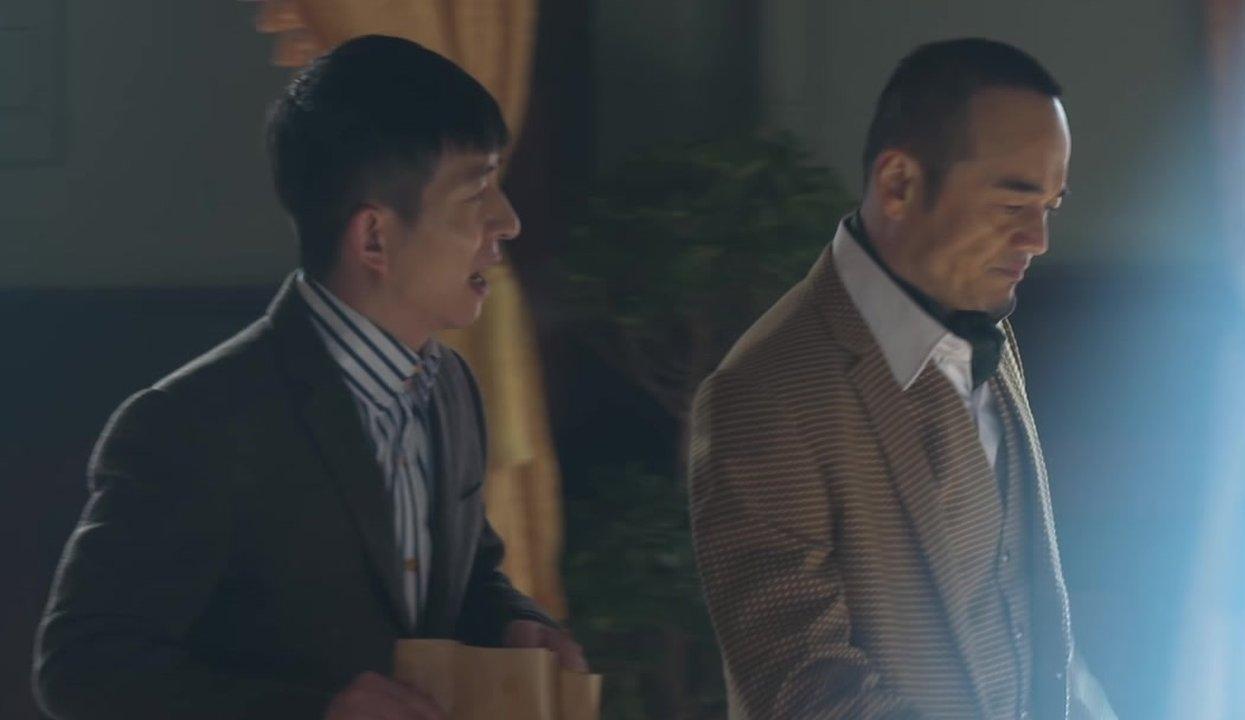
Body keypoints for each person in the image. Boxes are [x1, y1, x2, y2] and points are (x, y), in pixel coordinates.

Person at [33, 35, 584, 720]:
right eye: (477, 192)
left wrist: (513, 623)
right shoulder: (193, 423)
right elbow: (83, 667)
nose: (509, 221)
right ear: (374, 237)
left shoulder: (452, 389)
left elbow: (466, 577)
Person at [688, 38, 1114, 719]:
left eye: (1050, 207)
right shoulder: (765, 395)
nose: (1038, 240)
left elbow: (1030, 622)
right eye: (1013, 204)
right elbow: (806, 695)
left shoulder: (988, 326)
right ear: (899, 185)